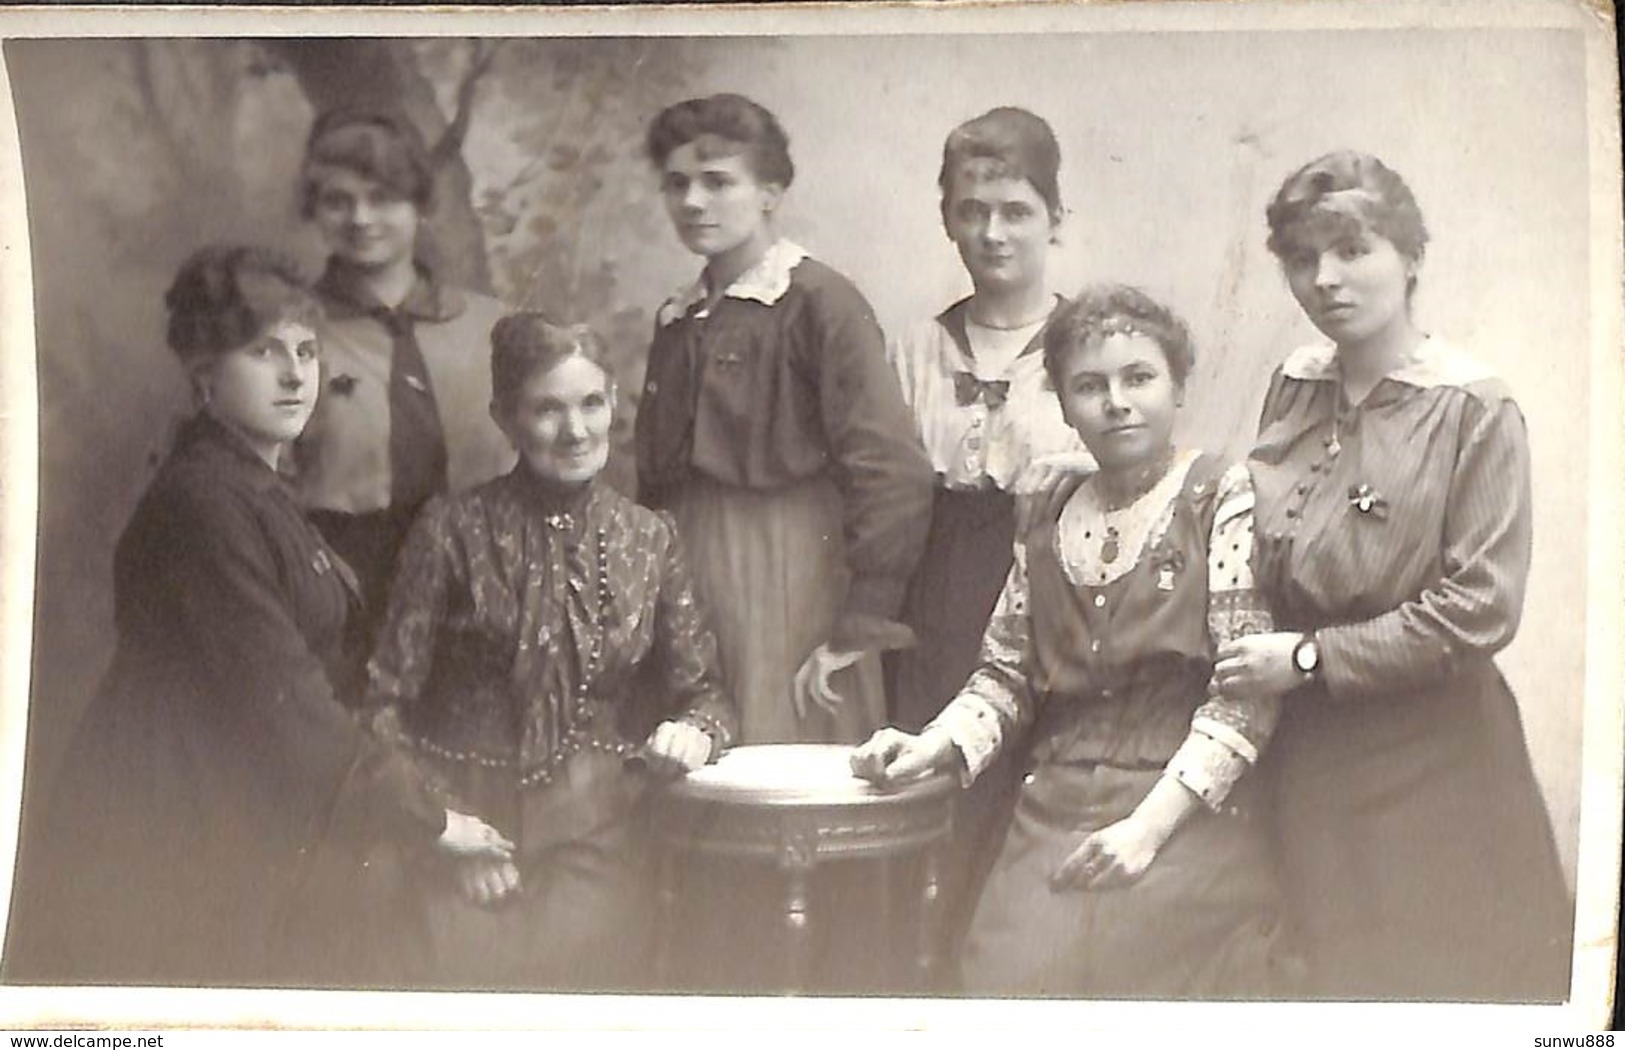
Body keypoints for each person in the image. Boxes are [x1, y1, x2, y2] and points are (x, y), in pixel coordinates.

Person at [18, 246, 512, 987]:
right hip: (171, 822)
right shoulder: (204, 502)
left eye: (308, 351)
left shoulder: (254, 485)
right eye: (263, 351)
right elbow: (286, 708)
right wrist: (430, 821)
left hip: (229, 803)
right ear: (204, 374)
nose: (294, 374)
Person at [854, 286, 1290, 998]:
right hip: (1051, 807)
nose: (1115, 401)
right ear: (1061, 404)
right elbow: (1005, 674)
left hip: (1185, 810)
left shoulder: (1220, 495)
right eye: (1089, 386)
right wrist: (931, 742)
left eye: (1138, 378)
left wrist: (1145, 832)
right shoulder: (1046, 512)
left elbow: (1244, 698)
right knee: (1003, 979)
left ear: (1177, 386)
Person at [1215, 150, 1571, 1000]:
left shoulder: (1473, 407)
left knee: (1438, 982)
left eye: (1350, 249)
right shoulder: (1294, 386)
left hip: (1433, 760)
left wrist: (1306, 659)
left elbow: (1477, 610)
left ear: (1410, 256)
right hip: (1307, 752)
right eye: (1301, 258)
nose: (1323, 278)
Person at [364, 313, 739, 991]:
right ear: (505, 419)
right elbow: (383, 707)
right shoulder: (449, 530)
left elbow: (706, 693)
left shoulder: (650, 538)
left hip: (598, 837)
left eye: (591, 403)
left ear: (613, 406)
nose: (575, 431)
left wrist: (695, 732)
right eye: (546, 409)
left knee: (586, 986)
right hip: (463, 826)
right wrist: (446, 830)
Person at [636, 92, 933, 745]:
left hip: (793, 576)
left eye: (717, 182)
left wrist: (863, 614)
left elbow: (892, 469)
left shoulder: (818, 301)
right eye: (677, 184)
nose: (692, 202)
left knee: (779, 763)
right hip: (690, 567)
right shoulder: (678, 317)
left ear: (769, 192)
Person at [883, 106, 1094, 968]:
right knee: (930, 796)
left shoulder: (1093, 345)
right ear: (947, 220)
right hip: (932, 598)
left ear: (1054, 219)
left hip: (1050, 593)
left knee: (1017, 807)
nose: (992, 231)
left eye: (1015, 210)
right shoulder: (912, 350)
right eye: (972, 211)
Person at [293, 107, 514, 648]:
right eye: (338, 201)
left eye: (383, 198)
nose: (360, 219)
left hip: (479, 588)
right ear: (314, 209)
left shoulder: (495, 329)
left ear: (420, 204)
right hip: (344, 592)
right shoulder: (292, 333)